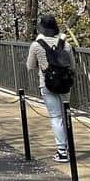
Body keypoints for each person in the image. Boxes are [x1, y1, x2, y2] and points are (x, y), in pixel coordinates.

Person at [26, 14, 76, 162]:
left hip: (47, 84)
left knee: (56, 117)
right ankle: (68, 147)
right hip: (65, 84)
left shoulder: (36, 45)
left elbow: (30, 66)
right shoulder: (66, 44)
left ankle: (62, 151)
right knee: (65, 115)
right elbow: (72, 66)